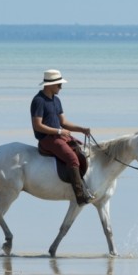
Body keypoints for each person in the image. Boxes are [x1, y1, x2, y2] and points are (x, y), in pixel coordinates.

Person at [31, 69, 95, 205]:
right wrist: (59, 132)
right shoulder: (38, 101)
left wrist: (81, 129)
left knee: (82, 149)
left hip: (58, 136)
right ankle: (80, 195)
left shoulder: (56, 100)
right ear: (49, 85)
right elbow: (37, 125)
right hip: (47, 139)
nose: (61, 87)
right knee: (72, 159)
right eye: (58, 84)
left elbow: (64, 122)